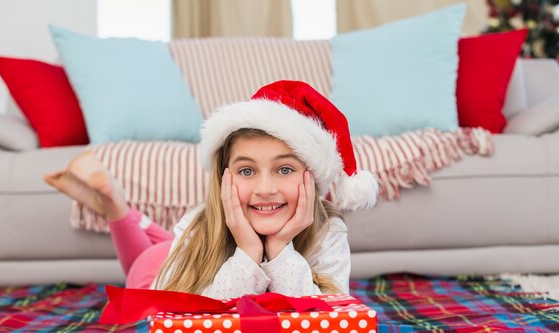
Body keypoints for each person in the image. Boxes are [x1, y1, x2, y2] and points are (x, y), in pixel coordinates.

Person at [45, 80, 378, 299]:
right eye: (247, 170)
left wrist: (278, 248)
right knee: (139, 268)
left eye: (285, 169)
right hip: (158, 271)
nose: (265, 188)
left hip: (190, 243)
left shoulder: (329, 230)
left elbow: (324, 323)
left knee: (175, 237)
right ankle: (117, 207)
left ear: (314, 178)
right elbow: (208, 321)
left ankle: (121, 208)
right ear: (224, 177)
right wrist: (249, 250)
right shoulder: (197, 224)